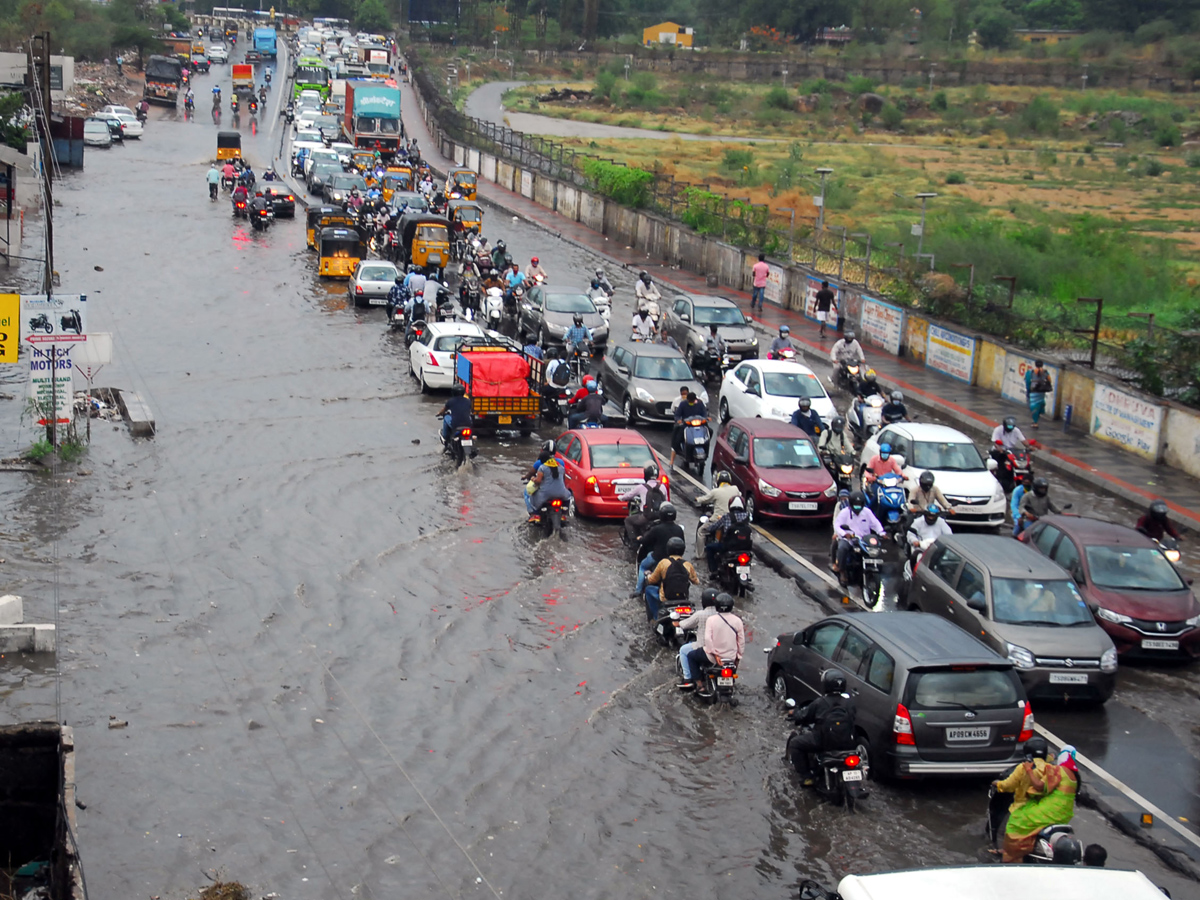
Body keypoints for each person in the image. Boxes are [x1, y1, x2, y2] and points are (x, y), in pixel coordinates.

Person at [1001, 744, 1080, 863]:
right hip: (1065, 814)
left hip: (1050, 811)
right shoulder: (1074, 776)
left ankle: (1013, 856)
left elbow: (1039, 786)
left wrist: (1028, 769)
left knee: (1017, 819)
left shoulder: (1057, 770)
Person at [786, 669, 857, 784]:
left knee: (795, 743)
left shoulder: (820, 702)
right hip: (848, 743)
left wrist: (794, 713)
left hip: (823, 742)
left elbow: (804, 716)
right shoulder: (849, 703)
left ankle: (807, 777)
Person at [683, 592, 745, 690]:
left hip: (713, 657)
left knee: (691, 656)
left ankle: (699, 684)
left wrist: (716, 655)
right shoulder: (738, 621)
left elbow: (708, 639)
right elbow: (741, 642)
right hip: (731, 658)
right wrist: (738, 657)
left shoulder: (711, 620)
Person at [643, 536, 700, 622]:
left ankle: (655, 618)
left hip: (665, 598)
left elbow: (652, 580)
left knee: (648, 589)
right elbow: (696, 582)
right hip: (683, 598)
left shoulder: (664, 563)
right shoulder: (688, 565)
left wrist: (648, 575)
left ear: (668, 549)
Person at [633, 503, 683, 598]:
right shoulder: (679, 529)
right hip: (675, 559)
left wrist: (639, 539)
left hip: (657, 557)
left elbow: (646, 540)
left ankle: (638, 590)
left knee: (643, 566)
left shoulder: (657, 529)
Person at [833, 491, 885, 582]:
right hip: (849, 539)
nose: (858, 506)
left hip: (864, 540)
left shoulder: (867, 512)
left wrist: (882, 533)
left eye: (859, 504)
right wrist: (845, 534)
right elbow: (837, 526)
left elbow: (875, 523)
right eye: (855, 504)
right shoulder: (844, 513)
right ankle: (842, 571)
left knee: (876, 549)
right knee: (842, 548)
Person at [675, 588, 719, 689]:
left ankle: (688, 678)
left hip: (704, 647)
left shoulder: (700, 614)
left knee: (683, 650)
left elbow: (685, 625)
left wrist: (677, 623)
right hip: (720, 648)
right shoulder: (722, 615)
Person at [619, 464, 669, 546]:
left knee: (628, 520)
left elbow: (628, 496)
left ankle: (635, 541)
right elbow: (666, 500)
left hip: (646, 517)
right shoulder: (662, 487)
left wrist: (620, 497)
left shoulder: (641, 487)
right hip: (660, 517)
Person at [705, 496, 752, 575]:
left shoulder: (726, 517)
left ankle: (714, 571)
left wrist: (708, 528)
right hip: (745, 547)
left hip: (729, 546)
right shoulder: (747, 516)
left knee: (709, 548)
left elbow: (714, 526)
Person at [670, 391, 708, 470]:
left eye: (692, 401)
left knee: (709, 431)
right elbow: (677, 414)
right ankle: (678, 450)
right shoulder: (683, 404)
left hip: (699, 424)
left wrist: (705, 418)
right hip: (686, 425)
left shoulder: (700, 404)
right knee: (677, 437)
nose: (691, 402)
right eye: (689, 401)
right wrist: (679, 420)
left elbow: (704, 413)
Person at [862, 442, 903, 507]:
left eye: (886, 454)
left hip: (888, 484)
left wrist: (902, 476)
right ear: (880, 453)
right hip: (877, 483)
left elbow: (898, 471)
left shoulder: (892, 460)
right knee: (876, 498)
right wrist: (870, 478)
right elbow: (867, 471)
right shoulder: (874, 459)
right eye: (883, 453)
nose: (885, 455)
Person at [1025, 360, 1053, 429]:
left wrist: (1028, 391)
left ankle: (1035, 422)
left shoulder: (1030, 372)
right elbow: (1049, 380)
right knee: (1040, 403)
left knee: (1034, 406)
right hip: (1041, 392)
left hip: (1033, 392)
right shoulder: (1045, 372)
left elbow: (1028, 382)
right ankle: (1040, 412)